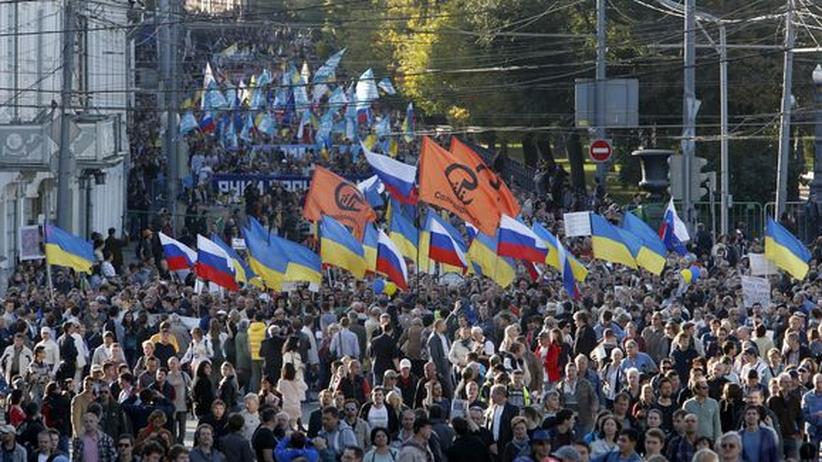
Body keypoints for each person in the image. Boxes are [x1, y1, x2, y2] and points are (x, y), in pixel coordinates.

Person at [484, 384, 518, 461]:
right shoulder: (491, 409)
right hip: (492, 445)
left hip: (505, 445)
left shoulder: (513, 410)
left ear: (501, 394)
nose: (491, 396)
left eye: (493, 393)